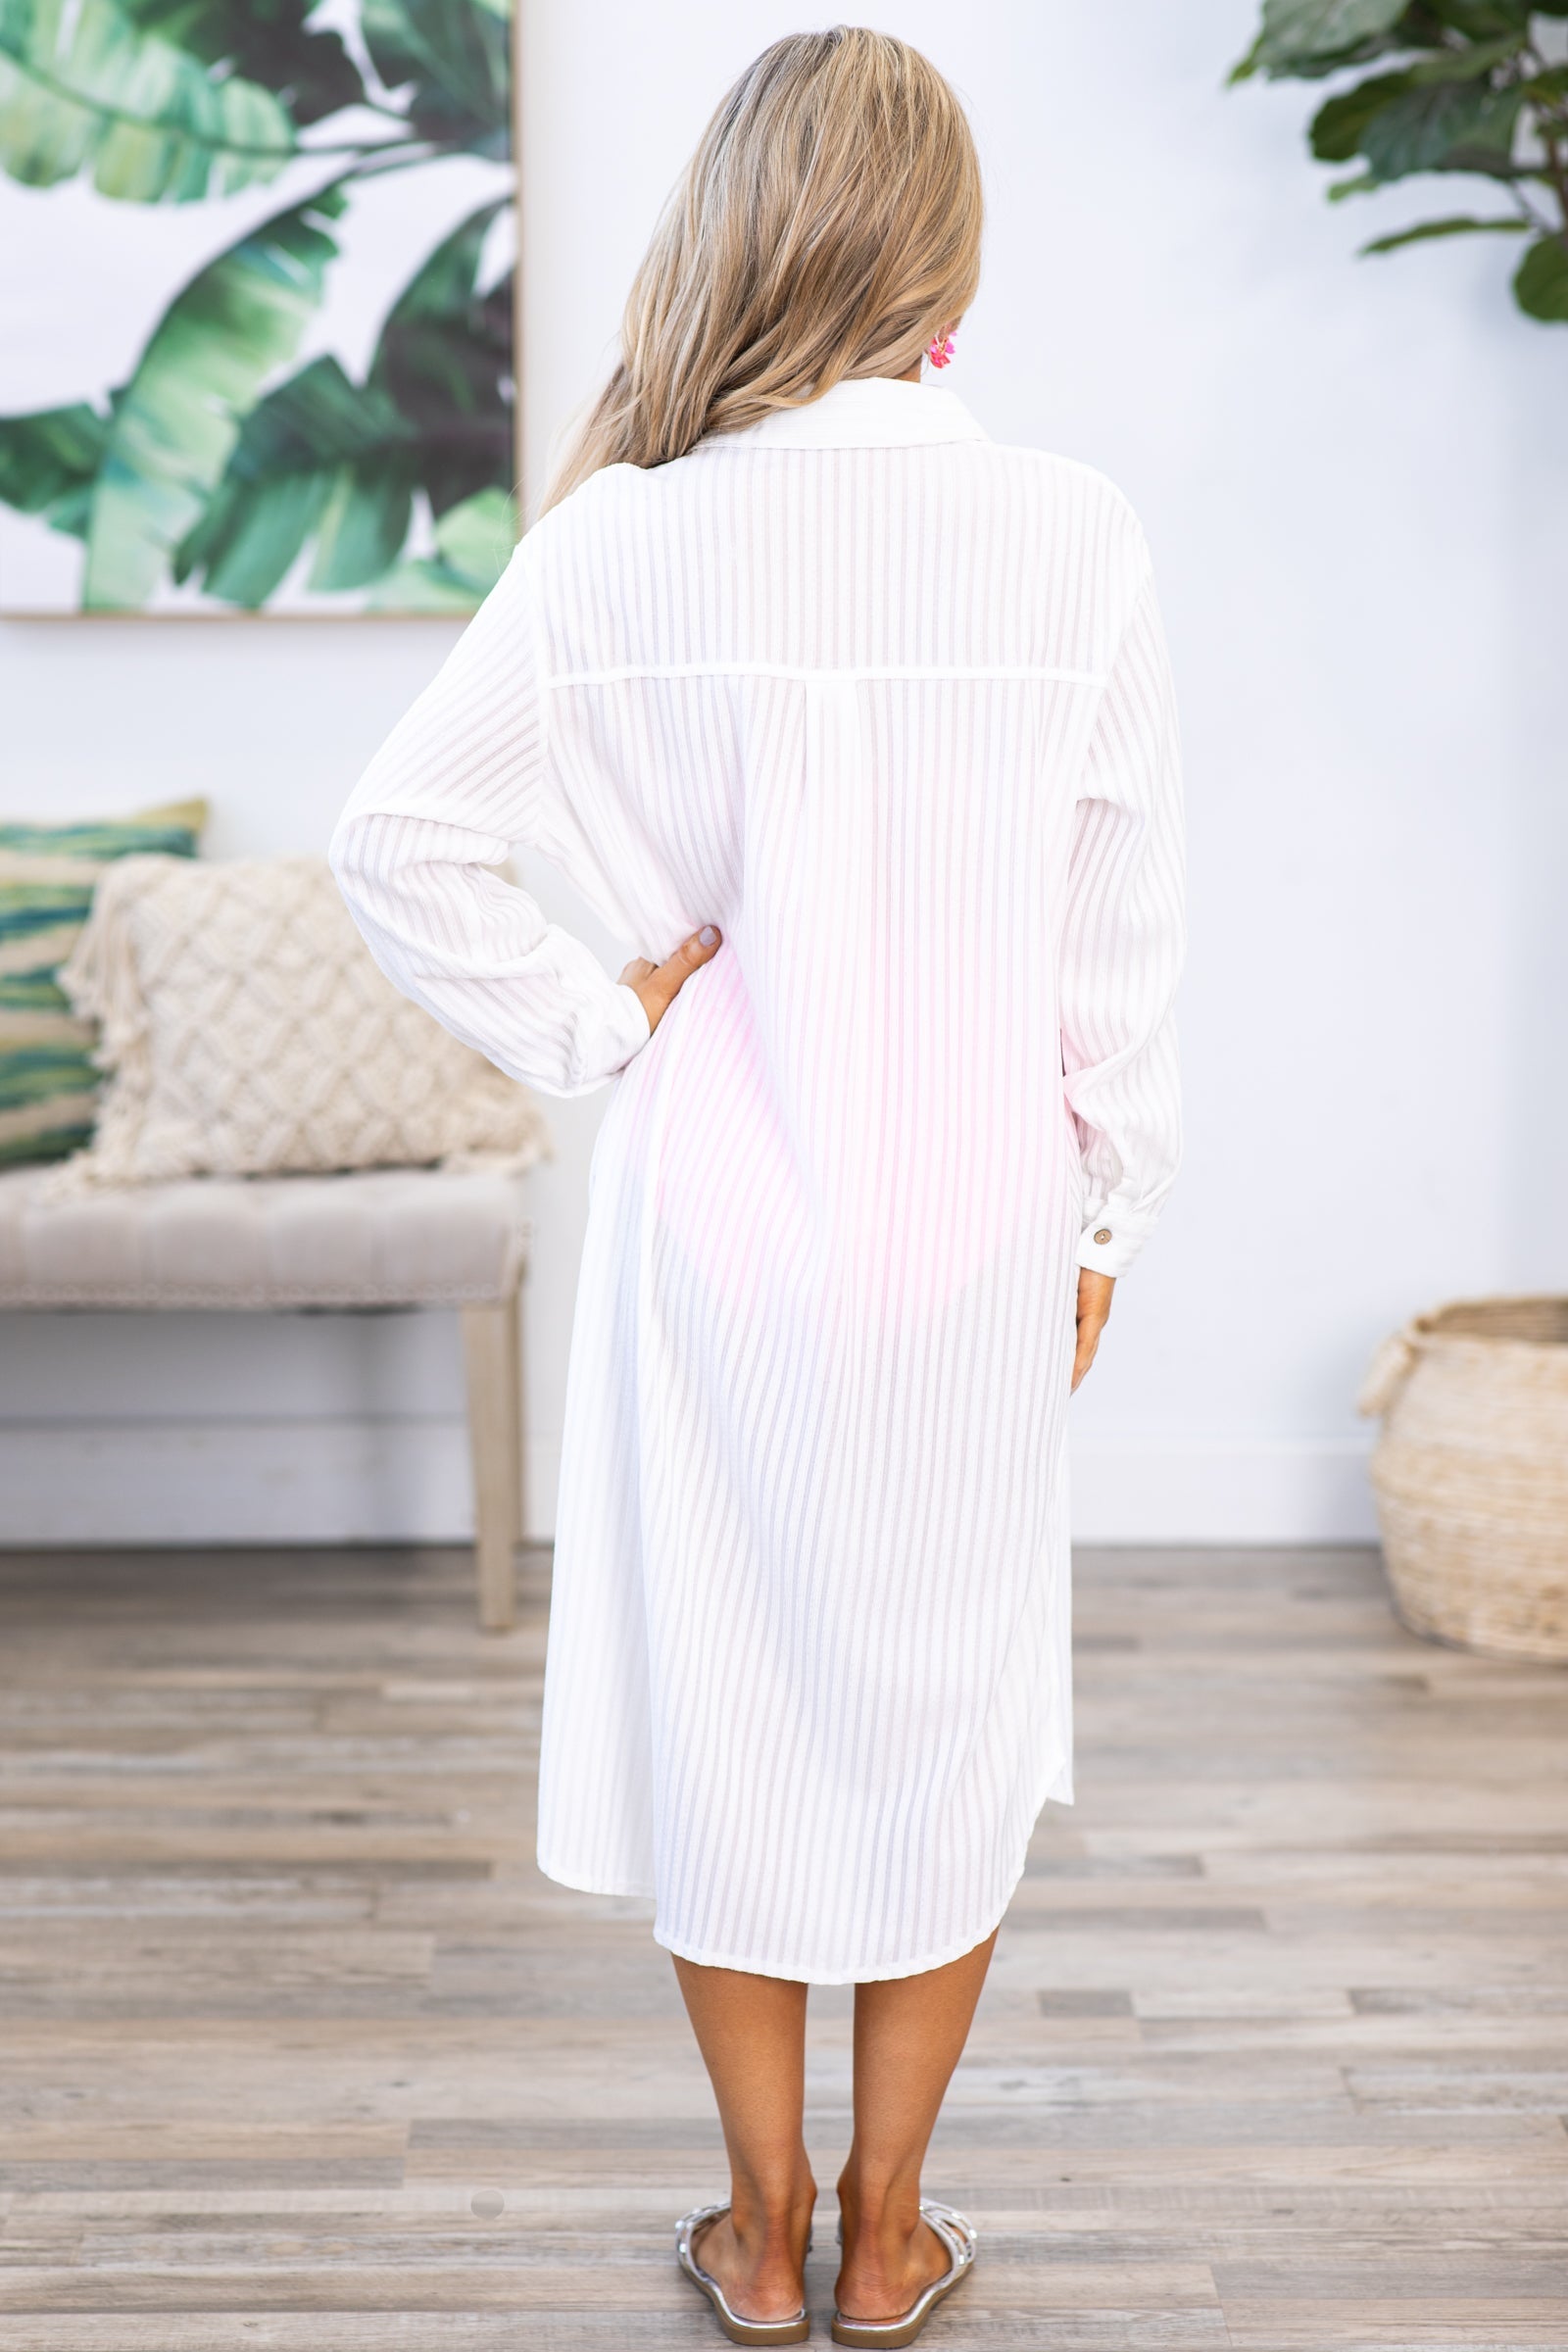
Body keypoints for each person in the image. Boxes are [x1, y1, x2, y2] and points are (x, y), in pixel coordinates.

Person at [332, 25, 1184, 2347]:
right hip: (981, 1214)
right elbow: (1115, 922)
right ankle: (889, 2237)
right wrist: (1104, 1208)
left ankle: (758, 2223)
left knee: (728, 1704)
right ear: (946, 258)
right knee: (940, 1709)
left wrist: (599, 1024)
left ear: (731, 228)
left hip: (715, 1212)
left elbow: (395, 839)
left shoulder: (619, 534)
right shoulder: (1070, 533)